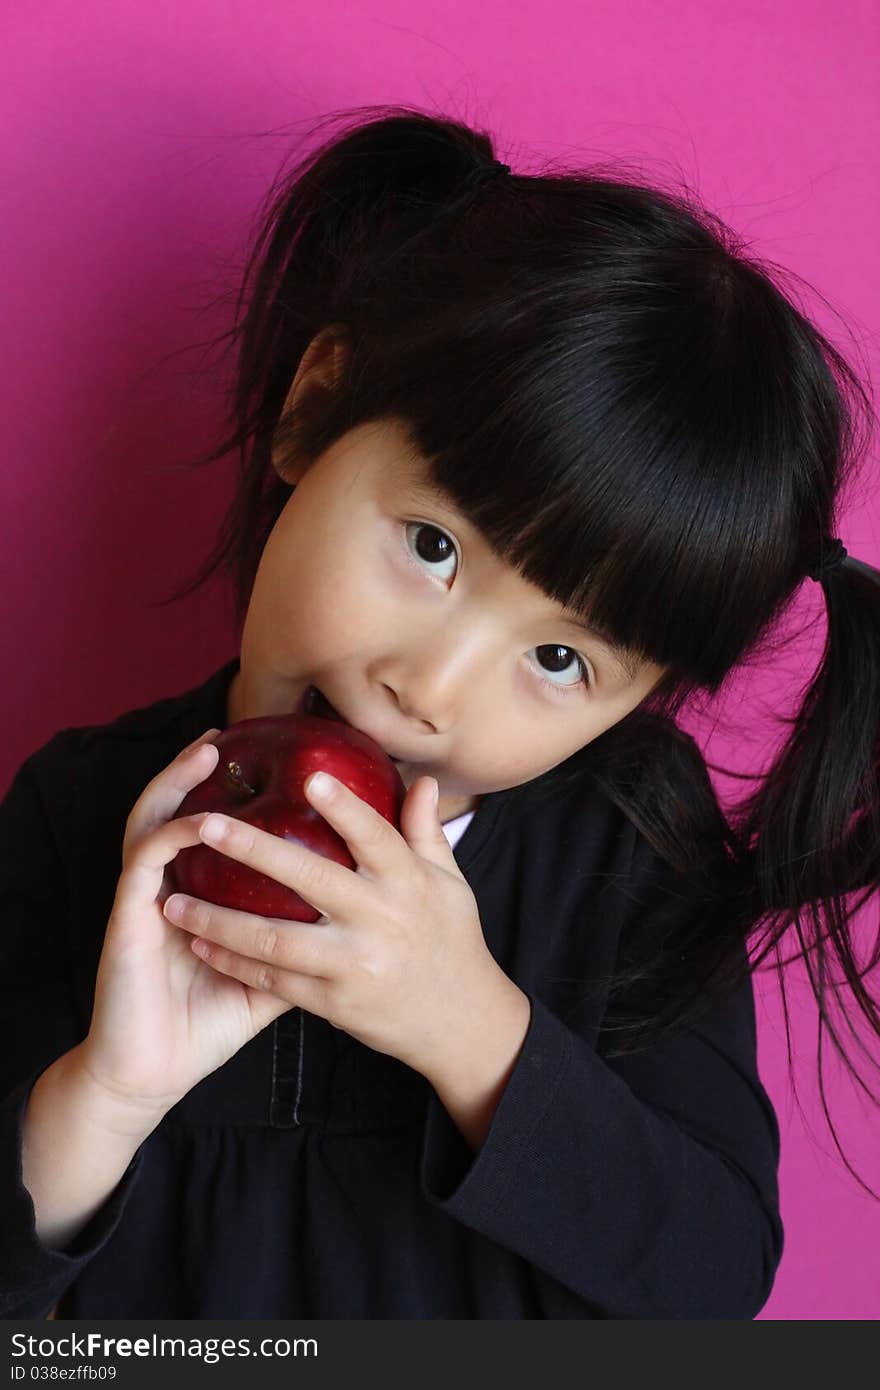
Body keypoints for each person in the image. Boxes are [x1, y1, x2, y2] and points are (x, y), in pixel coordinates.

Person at [2, 105, 878, 1321]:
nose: (430, 689)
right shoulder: (79, 807)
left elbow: (714, 1281)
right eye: (431, 546)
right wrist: (105, 1096)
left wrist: (470, 1029)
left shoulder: (628, 848)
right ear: (314, 407)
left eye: (563, 659)